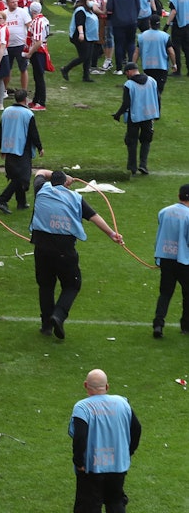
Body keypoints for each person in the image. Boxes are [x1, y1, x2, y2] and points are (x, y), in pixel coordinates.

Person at [31, 170, 123, 338]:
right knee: (72, 285)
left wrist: (60, 176)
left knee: (46, 286)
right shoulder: (75, 198)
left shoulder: (41, 189)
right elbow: (94, 217)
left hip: (41, 248)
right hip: (64, 250)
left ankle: (46, 326)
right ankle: (58, 315)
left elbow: (40, 172)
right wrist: (112, 234)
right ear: (67, 184)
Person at [70, 369, 141, 513]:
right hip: (117, 465)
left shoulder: (82, 407)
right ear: (107, 387)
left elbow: (79, 437)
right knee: (115, 502)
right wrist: (128, 452)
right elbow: (137, 429)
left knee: (88, 506)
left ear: (85, 385)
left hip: (91, 468)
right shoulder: (123, 403)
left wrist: (79, 463)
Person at [0, 89, 43, 214]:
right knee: (22, 178)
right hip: (21, 149)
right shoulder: (28, 114)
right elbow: (33, 133)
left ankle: (21, 202)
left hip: (8, 147)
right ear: (25, 99)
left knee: (16, 176)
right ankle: (2, 200)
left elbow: (1, 130)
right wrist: (40, 147)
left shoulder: (6, 111)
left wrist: (2, 147)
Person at [151, 184, 189, 337]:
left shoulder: (164, 212)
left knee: (165, 293)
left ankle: (158, 325)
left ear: (179, 195)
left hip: (166, 258)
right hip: (184, 261)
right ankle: (186, 326)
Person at [112, 62, 160, 175]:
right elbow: (158, 98)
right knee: (146, 140)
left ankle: (132, 167)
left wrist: (118, 114)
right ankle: (143, 165)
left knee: (131, 141)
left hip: (134, 117)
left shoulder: (129, 84)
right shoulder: (152, 81)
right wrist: (157, 113)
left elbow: (126, 103)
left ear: (129, 72)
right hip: (149, 115)